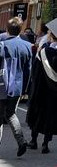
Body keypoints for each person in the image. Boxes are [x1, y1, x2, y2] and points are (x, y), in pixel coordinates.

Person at [0, 16, 32, 159]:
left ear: (7, 30)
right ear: (20, 30)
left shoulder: (2, 44)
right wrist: (25, 87)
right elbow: (28, 69)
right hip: (17, 85)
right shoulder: (27, 46)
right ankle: (21, 140)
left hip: (1, 84)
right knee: (11, 114)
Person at [27, 17, 57, 153]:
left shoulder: (43, 50)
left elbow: (36, 69)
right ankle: (45, 144)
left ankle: (33, 140)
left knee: (37, 113)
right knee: (50, 115)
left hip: (40, 89)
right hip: (53, 92)